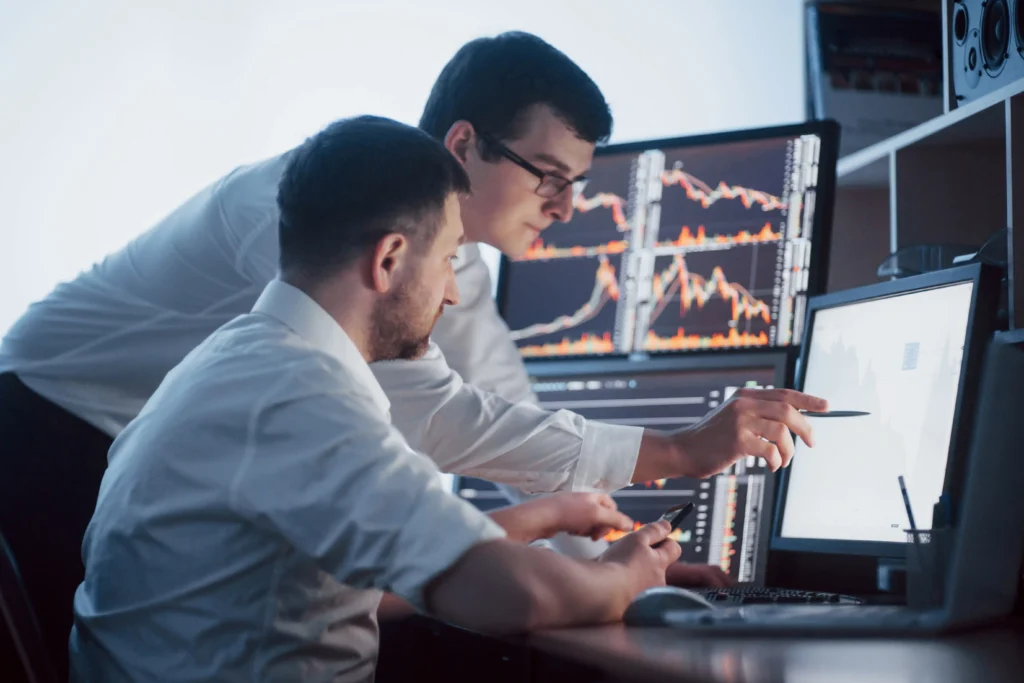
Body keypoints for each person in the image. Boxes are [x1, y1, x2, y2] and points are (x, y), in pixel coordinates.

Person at [0, 30, 826, 668]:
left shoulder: (395, 259)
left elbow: (479, 414)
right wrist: (623, 553)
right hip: (52, 420)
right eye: (550, 177)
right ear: (463, 146)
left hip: (162, 467)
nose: (567, 207)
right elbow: (422, 421)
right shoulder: (304, 249)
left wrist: (598, 556)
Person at [68, 115, 685, 682]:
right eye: (448, 259)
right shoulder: (302, 397)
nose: (453, 293)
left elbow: (355, 584)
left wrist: (538, 519)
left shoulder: (232, 359)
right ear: (389, 259)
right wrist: (625, 578)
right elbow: (514, 595)